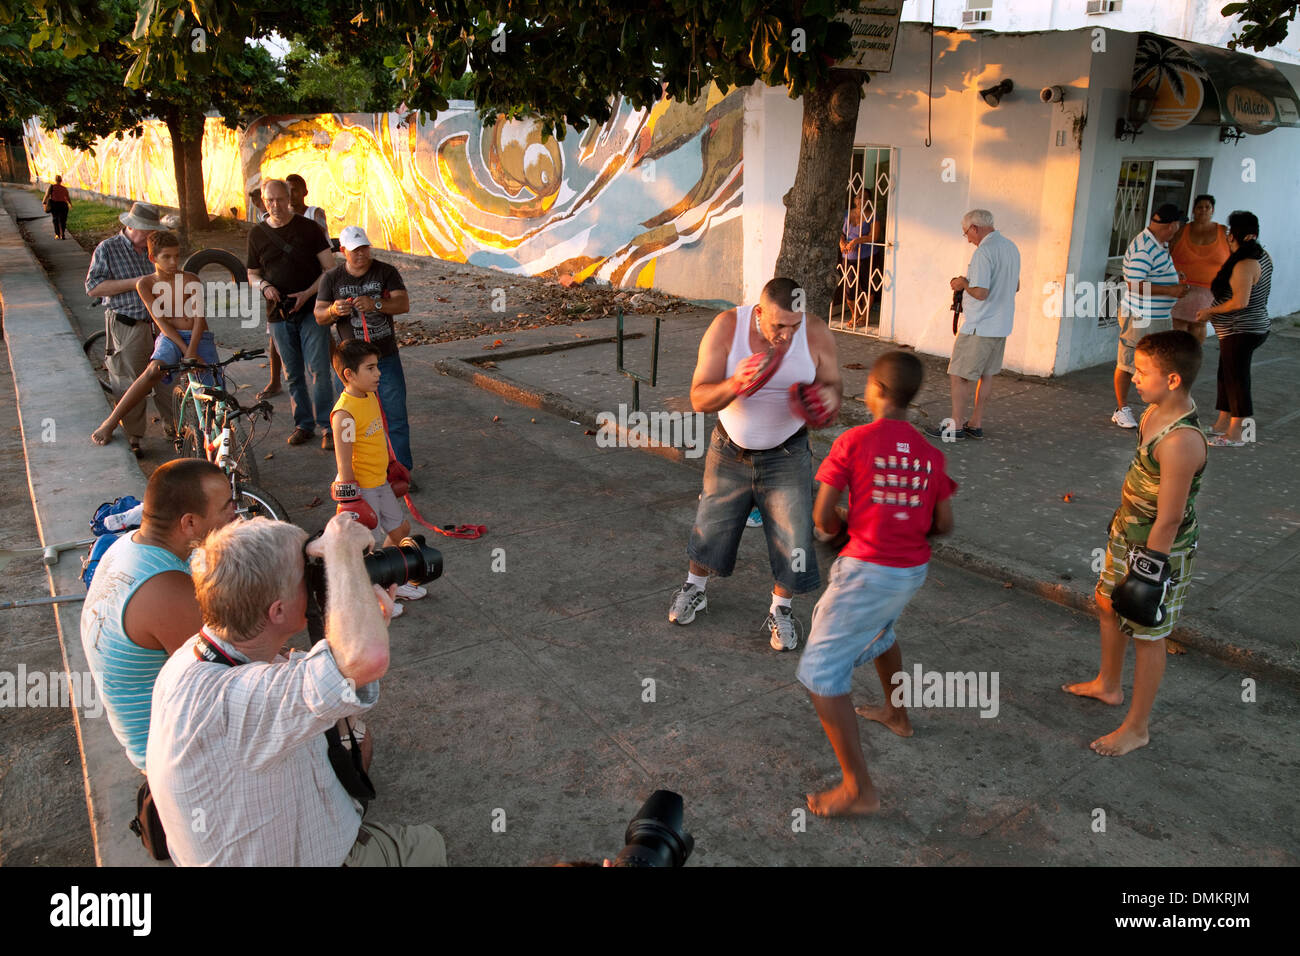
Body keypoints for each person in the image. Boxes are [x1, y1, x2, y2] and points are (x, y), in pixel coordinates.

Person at [146, 513, 447, 866]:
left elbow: (340, 679)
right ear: (277, 611)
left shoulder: (193, 659)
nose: (319, 576)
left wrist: (362, 621)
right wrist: (344, 554)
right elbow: (367, 659)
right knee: (427, 844)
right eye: (309, 571)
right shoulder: (240, 701)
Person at [797, 351, 956, 815]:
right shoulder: (930, 453)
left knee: (822, 675)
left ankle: (858, 789)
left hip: (869, 571)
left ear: (876, 390)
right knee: (882, 631)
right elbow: (943, 523)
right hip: (909, 572)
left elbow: (822, 516)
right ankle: (898, 714)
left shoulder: (853, 441)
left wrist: (845, 522)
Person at [667, 277, 843, 651]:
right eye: (778, 325)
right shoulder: (727, 327)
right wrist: (736, 383)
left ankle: (781, 609)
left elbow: (833, 386)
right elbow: (698, 397)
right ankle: (694, 588)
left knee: (792, 537)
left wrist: (825, 401)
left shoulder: (815, 334)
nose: (786, 335)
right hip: (729, 448)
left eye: (793, 326)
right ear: (759, 312)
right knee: (710, 526)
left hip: (788, 452)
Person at [1064, 330, 1207, 756]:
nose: (1135, 377)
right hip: (1127, 534)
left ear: (1174, 380)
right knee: (1107, 602)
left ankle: (1137, 727)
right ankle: (1108, 684)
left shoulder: (1182, 441)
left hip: (1160, 552)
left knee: (1148, 632)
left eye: (1143, 372)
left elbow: (1171, 517)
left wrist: (1147, 576)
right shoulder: (1151, 413)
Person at [80, 459, 236, 770]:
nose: (236, 514)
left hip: (156, 731)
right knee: (338, 729)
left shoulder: (128, 546)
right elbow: (234, 678)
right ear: (189, 523)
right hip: (175, 755)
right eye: (227, 507)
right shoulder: (165, 591)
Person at [90, 231, 217, 447]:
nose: (173, 262)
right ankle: (110, 423)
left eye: (177, 256)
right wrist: (184, 350)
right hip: (170, 337)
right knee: (152, 371)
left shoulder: (190, 279)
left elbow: (198, 319)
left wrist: (192, 351)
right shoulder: (145, 284)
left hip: (198, 337)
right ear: (152, 258)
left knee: (213, 389)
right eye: (166, 257)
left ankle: (215, 441)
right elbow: (161, 322)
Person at [330, 339, 426, 615]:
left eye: (377, 367)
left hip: (380, 482)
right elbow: (343, 461)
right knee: (365, 549)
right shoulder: (345, 414)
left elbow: (377, 435)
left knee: (399, 532)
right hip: (363, 491)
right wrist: (352, 502)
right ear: (349, 374)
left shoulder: (368, 396)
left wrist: (390, 462)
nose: (378, 373)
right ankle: (371, 598)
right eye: (370, 368)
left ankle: (390, 580)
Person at [316, 225, 415, 473]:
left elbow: (403, 304)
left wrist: (377, 303)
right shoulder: (332, 278)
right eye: (355, 250)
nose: (361, 254)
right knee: (351, 420)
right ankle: (355, 473)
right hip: (350, 365)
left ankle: (401, 472)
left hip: (385, 357)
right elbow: (319, 315)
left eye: (364, 249)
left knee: (395, 416)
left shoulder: (385, 271)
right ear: (342, 251)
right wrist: (333, 311)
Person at [246, 179, 336, 448]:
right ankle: (303, 424)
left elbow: (330, 269)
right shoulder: (257, 234)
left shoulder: (310, 229)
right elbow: (252, 274)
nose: (276, 205)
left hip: (312, 309)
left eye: (280, 199)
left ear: (290, 199)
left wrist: (308, 293)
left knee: (318, 369)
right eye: (270, 200)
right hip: (278, 313)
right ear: (263, 201)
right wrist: (264, 287)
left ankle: (326, 426)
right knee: (293, 373)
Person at [923, 209, 1019, 442]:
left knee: (959, 375)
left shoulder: (984, 253)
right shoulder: (1011, 248)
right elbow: (1015, 286)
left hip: (980, 325)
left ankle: (955, 425)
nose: (967, 238)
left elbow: (981, 292)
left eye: (966, 233)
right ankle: (975, 423)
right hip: (1001, 323)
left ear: (975, 228)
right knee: (987, 375)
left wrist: (963, 283)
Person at [85, 201, 170, 456]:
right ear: (130, 226)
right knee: (129, 381)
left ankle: (173, 426)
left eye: (151, 231)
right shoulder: (108, 249)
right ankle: (134, 436)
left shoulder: (154, 248)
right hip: (127, 323)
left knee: (166, 377)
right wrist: (136, 283)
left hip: (158, 323)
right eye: (145, 230)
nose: (148, 236)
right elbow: (93, 287)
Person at [1193, 211, 1272, 448]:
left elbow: (1240, 302)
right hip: (1239, 330)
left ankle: (1236, 433)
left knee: (1237, 379)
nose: (1228, 237)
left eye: (1231, 233)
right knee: (1225, 375)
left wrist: (1210, 312)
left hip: (1243, 330)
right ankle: (1221, 423)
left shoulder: (1246, 264)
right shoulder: (1260, 255)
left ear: (1244, 235)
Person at [1111, 204, 1190, 430]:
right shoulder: (1144, 248)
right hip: (1140, 316)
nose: (1179, 230)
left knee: (1157, 363)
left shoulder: (1160, 244)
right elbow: (1134, 286)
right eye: (1179, 226)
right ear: (1172, 225)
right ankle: (1121, 408)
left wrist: (1173, 278)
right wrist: (1170, 290)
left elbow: (1152, 273)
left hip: (1158, 315)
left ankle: (1157, 408)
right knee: (1129, 363)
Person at [1169, 195, 1229, 345]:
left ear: (1212, 210)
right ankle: (1179, 357)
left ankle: (1193, 355)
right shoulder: (1181, 231)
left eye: (1207, 207)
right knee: (1178, 324)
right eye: (1199, 207)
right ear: (1194, 210)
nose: (1203, 210)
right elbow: (1167, 253)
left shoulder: (1224, 232)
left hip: (1209, 289)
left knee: (1199, 323)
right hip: (1181, 287)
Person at [44, 175, 71, 239]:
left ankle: (57, 234)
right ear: (61, 180)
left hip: (55, 205)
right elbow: (67, 197)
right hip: (63, 205)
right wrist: (70, 204)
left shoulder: (52, 187)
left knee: (55, 219)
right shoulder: (64, 188)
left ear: (55, 180)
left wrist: (44, 202)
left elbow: (47, 195)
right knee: (63, 220)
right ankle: (63, 234)